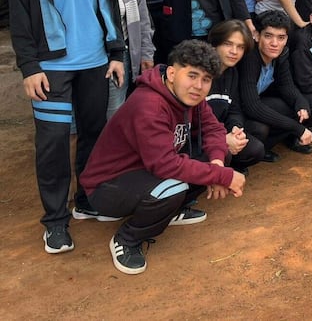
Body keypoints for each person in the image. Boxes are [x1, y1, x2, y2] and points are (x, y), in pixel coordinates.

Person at [8, 0, 125, 254]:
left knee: (94, 133)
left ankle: (87, 199)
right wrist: (29, 67)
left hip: (94, 62)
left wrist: (116, 52)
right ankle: (55, 221)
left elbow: (109, 5)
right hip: (52, 68)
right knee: (54, 143)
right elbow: (21, 13)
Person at [80, 40, 246, 274]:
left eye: (206, 79)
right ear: (171, 72)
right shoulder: (149, 105)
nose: (198, 86)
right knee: (174, 186)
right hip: (107, 186)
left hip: (146, 172)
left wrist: (218, 165)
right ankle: (127, 239)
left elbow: (215, 129)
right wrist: (221, 175)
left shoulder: (190, 97)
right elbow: (164, 165)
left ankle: (172, 209)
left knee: (220, 154)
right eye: (192, 75)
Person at [239, 10, 312, 157]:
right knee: (260, 128)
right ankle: (250, 155)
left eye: (281, 37)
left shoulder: (281, 54)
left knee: (308, 106)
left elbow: (287, 86)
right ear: (257, 36)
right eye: (268, 36)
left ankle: (281, 141)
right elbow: (251, 106)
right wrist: (297, 128)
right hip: (239, 113)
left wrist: (300, 103)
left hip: (260, 103)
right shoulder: (250, 57)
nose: (275, 43)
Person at [206, 20, 264, 171]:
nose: (234, 51)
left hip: (220, 131)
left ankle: (228, 167)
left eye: (240, 47)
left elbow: (234, 110)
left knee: (255, 148)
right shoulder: (201, 75)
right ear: (214, 44)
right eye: (228, 44)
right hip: (199, 138)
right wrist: (223, 140)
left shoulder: (232, 72)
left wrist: (235, 130)